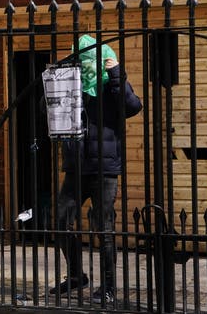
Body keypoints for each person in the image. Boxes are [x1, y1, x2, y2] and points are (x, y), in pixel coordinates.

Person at [50, 36, 142, 304]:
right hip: (76, 167)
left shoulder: (110, 86)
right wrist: (58, 82)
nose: (85, 67)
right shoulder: (74, 85)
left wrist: (116, 75)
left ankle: (109, 287)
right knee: (60, 221)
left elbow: (133, 106)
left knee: (104, 229)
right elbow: (51, 112)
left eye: (89, 61)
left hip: (104, 169)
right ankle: (77, 276)